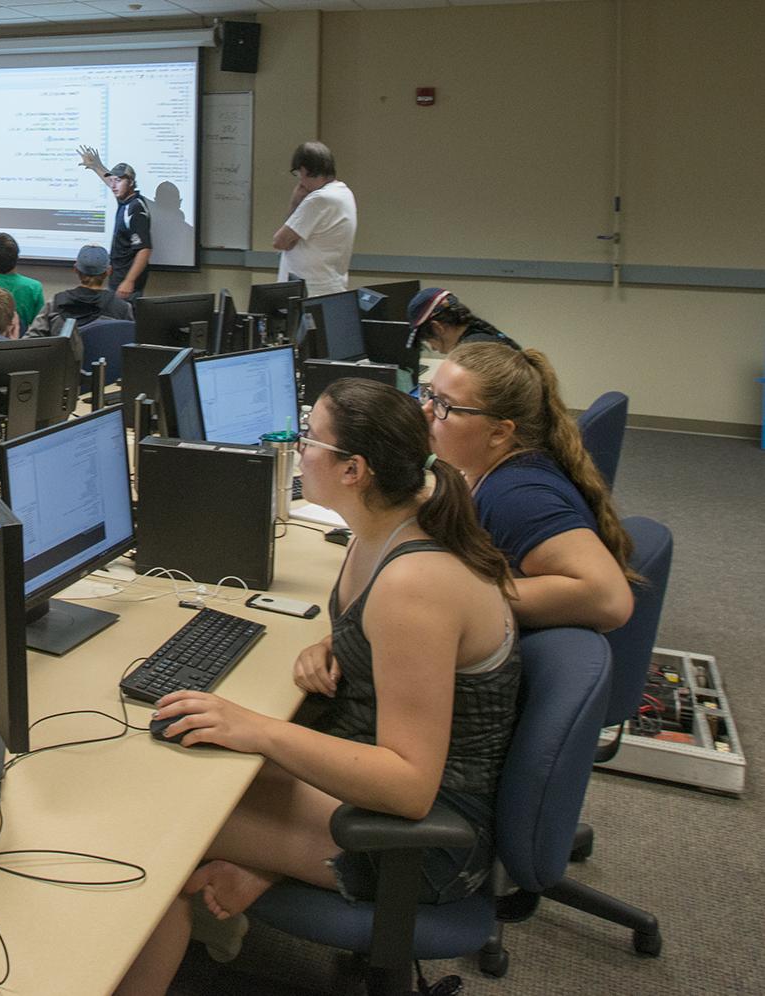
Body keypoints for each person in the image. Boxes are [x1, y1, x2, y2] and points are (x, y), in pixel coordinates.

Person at [118, 380, 520, 996]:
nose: (298, 449)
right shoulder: (390, 521)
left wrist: (259, 728)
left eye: (310, 440)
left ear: (353, 469)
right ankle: (251, 878)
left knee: (162, 823)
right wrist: (331, 644)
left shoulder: (414, 583)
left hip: (427, 841)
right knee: (190, 767)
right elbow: (389, 639)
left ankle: (221, 898)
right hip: (375, 775)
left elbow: (410, 788)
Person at [424, 342, 636, 632]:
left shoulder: (514, 496)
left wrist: (460, 594)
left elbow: (610, 600)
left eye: (443, 405)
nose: (426, 412)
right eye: (429, 395)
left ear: (499, 432)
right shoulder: (495, 467)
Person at [273, 142, 357, 296]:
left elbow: (280, 241)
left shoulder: (318, 200)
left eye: (298, 174)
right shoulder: (343, 193)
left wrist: (295, 201)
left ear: (304, 170)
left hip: (309, 293)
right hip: (329, 287)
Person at [77, 147, 152, 299]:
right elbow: (110, 181)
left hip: (127, 283)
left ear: (130, 182)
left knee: (124, 320)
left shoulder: (135, 209)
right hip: (117, 277)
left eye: (118, 181)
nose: (113, 185)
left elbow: (144, 249)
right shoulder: (126, 199)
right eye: (112, 181)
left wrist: (129, 281)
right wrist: (95, 166)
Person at [26, 244, 132, 336]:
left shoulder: (55, 304)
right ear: (109, 271)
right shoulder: (122, 308)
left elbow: (33, 340)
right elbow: (131, 343)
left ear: (75, 269)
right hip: (106, 359)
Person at [407, 288, 520, 353]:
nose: (433, 348)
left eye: (428, 340)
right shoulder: (481, 337)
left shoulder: (472, 354)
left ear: (437, 327)